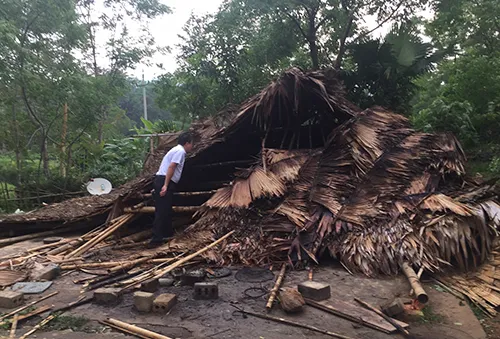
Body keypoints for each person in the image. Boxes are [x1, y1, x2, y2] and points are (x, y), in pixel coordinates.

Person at [149, 132, 194, 247]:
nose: (192, 147)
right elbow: (171, 167)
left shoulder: (176, 150)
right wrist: (165, 185)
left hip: (163, 180)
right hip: (165, 180)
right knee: (162, 211)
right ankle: (156, 239)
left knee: (166, 210)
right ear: (187, 143)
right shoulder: (180, 151)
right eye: (191, 144)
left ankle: (166, 235)